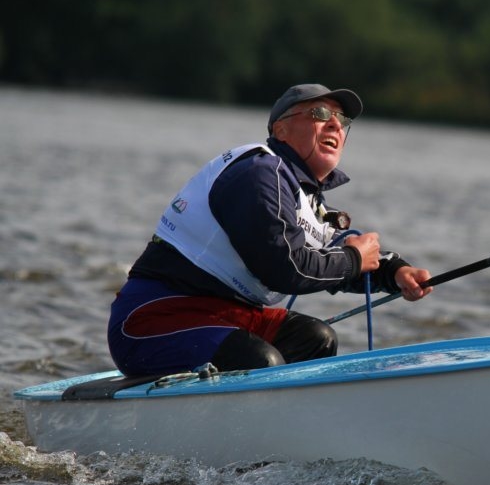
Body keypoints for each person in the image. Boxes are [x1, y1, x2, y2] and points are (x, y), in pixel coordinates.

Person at [108, 83, 433, 377]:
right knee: (261, 361)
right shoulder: (260, 173)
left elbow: (334, 257)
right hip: (151, 321)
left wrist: (394, 271)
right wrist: (353, 259)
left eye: (342, 119)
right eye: (320, 113)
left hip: (225, 318)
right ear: (281, 130)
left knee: (315, 339)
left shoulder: (304, 198)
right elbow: (286, 268)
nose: (335, 124)